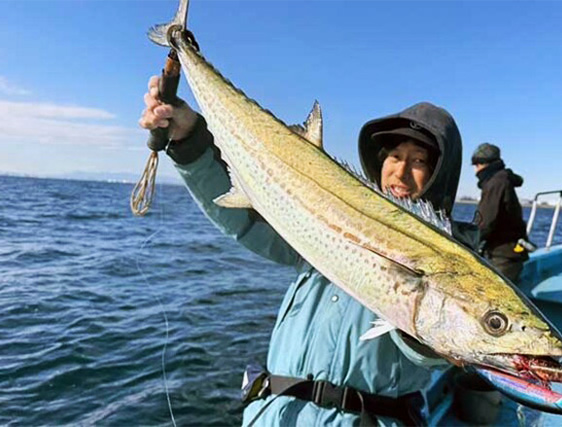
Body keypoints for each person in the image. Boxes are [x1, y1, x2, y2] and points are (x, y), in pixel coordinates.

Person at [139, 75, 465, 426]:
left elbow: (433, 348)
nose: (401, 171)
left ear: (438, 175)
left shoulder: (451, 261)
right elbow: (245, 219)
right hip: (273, 415)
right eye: (395, 156)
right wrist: (189, 140)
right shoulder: (327, 221)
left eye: (418, 161)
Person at [471, 143, 529, 283]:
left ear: (482, 164)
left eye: (476, 165)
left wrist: (465, 238)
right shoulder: (503, 179)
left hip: (503, 256)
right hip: (510, 253)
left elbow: (484, 223)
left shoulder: (495, 183)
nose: (475, 171)